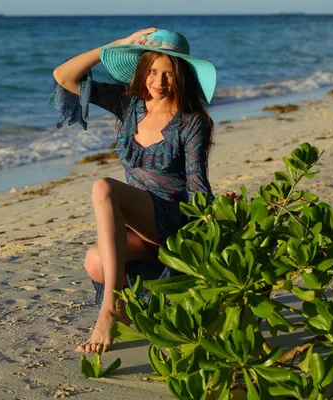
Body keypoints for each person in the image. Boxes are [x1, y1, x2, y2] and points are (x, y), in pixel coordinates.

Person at [48, 28, 216, 353]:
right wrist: (118, 45)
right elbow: (63, 76)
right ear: (142, 70)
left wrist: (212, 224)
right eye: (152, 70)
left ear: (181, 76)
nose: (159, 81)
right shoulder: (129, 105)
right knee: (94, 261)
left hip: (172, 220)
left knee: (103, 188)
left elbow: (197, 184)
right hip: (139, 226)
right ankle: (128, 304)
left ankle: (110, 308)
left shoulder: (190, 122)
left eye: (169, 73)